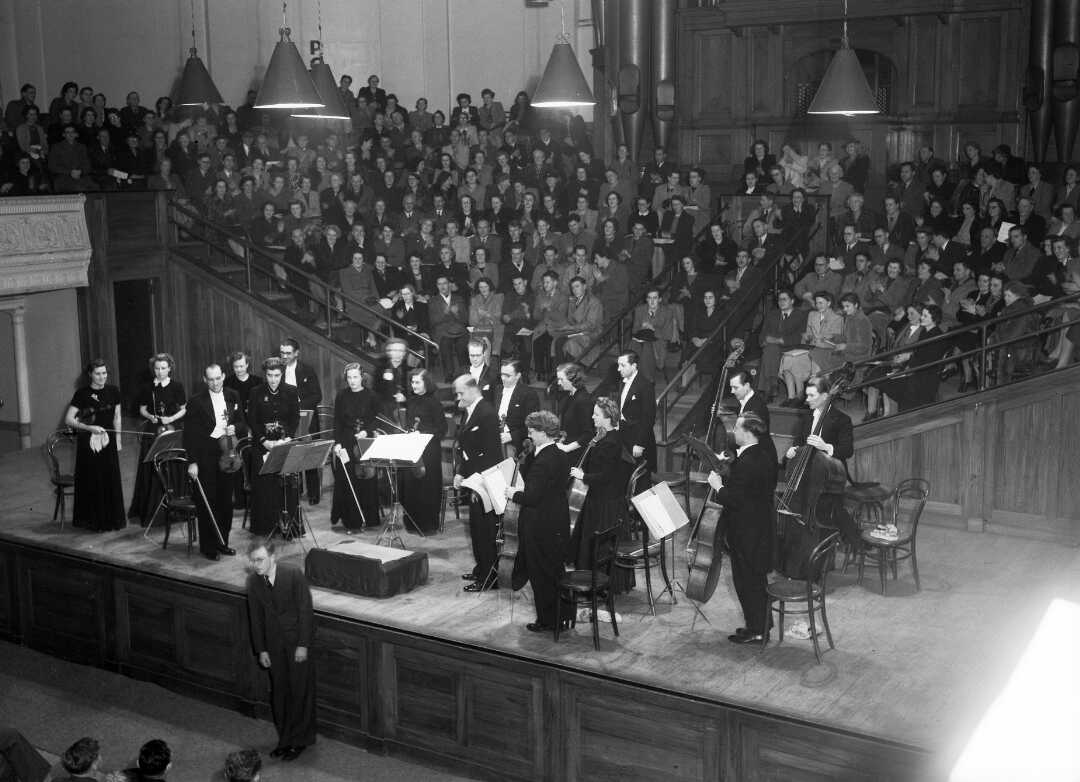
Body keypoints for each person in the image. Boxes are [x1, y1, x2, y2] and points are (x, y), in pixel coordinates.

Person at [707, 413, 778, 644]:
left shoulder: (748, 462)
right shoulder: (762, 455)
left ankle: (757, 630)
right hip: (759, 529)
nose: (733, 432)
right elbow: (749, 491)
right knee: (756, 581)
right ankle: (760, 625)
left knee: (747, 582)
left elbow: (735, 499)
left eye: (736, 428)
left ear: (747, 433)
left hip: (747, 532)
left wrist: (718, 486)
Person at [245, 540, 316, 761]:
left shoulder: (293, 574)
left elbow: (306, 611)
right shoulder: (253, 582)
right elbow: (255, 619)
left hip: (297, 645)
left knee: (299, 693)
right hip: (273, 647)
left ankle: (300, 740)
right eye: (253, 560)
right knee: (280, 695)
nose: (256, 565)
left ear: (273, 557)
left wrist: (303, 644)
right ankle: (285, 740)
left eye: (260, 559)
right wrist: (261, 650)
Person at [504, 410, 572, 632]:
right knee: (554, 571)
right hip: (557, 519)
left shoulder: (543, 461)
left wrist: (512, 493)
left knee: (541, 575)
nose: (529, 435)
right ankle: (562, 616)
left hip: (540, 525)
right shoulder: (560, 454)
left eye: (532, 431)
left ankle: (547, 621)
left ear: (543, 432)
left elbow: (532, 497)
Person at [781, 376, 855, 576]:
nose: (807, 400)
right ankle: (792, 564)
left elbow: (847, 450)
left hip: (828, 479)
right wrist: (792, 451)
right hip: (804, 476)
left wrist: (826, 447)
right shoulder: (806, 418)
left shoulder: (842, 419)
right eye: (806, 395)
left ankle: (819, 565)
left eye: (812, 396)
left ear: (825, 396)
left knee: (826, 513)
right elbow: (798, 443)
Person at [568, 397, 635, 590]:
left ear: (608, 418)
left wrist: (583, 476)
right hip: (602, 499)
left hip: (605, 504)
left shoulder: (610, 443)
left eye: (596, 414)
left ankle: (600, 584)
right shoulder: (604, 436)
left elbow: (605, 476)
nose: (592, 416)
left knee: (600, 547)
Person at [183, 363, 245, 561]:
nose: (215, 382)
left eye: (218, 378)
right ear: (204, 379)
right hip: (206, 457)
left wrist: (235, 427)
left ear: (224, 376)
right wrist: (192, 462)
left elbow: (243, 422)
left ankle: (222, 542)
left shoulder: (233, 395)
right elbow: (189, 435)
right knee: (207, 502)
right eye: (211, 379)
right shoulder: (195, 401)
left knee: (226, 501)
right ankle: (208, 546)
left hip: (228, 456)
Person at [452, 375, 503, 591]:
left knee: (485, 530)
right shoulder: (470, 410)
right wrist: (461, 473)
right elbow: (467, 450)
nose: (457, 397)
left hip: (484, 480)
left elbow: (492, 454)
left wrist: (478, 484)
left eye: (460, 393)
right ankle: (481, 568)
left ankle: (489, 577)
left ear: (473, 390)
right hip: (473, 478)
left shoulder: (487, 413)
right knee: (476, 527)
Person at [64, 359, 124, 531]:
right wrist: (88, 427)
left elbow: (117, 417)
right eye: (98, 373)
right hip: (88, 443)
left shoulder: (114, 391)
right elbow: (68, 420)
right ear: (90, 374)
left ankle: (112, 520)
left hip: (108, 441)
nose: (102, 377)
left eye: (104, 373)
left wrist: (118, 440)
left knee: (109, 478)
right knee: (93, 479)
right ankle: (93, 521)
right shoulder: (81, 394)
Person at [128, 353, 187, 526]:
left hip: (171, 426)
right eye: (157, 368)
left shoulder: (177, 386)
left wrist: (171, 419)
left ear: (170, 368)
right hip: (154, 428)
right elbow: (142, 409)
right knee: (151, 465)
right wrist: (150, 416)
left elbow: (184, 409)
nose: (160, 372)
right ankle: (153, 509)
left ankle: (176, 506)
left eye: (163, 368)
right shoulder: (148, 387)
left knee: (172, 464)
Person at [247, 357, 301, 537]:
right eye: (270, 375)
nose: (273, 379)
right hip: (264, 446)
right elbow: (252, 420)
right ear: (265, 374)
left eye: (277, 375)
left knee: (287, 486)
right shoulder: (255, 392)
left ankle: (290, 527)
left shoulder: (291, 391)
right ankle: (267, 527)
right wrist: (264, 441)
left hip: (284, 444)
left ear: (282, 374)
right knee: (265, 488)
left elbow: (295, 419)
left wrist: (288, 439)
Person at [331, 363, 380, 534]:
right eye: (349, 378)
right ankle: (351, 519)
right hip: (346, 440)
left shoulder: (371, 395)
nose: (352, 381)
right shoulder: (341, 396)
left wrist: (366, 430)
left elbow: (377, 419)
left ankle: (370, 517)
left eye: (355, 377)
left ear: (362, 377)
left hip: (365, 440)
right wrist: (337, 443)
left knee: (366, 479)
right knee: (348, 478)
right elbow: (337, 421)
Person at [400, 368, 446, 534]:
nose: (414, 385)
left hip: (430, 451)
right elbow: (410, 423)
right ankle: (412, 522)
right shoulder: (411, 401)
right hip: (413, 448)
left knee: (427, 487)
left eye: (417, 382)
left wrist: (423, 432)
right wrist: (409, 432)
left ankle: (427, 524)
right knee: (412, 485)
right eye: (412, 382)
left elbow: (442, 429)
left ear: (426, 383)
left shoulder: (434, 402)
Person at [279, 339, 323, 504]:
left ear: (296, 353)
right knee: (291, 454)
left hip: (307, 418)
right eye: (282, 353)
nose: (284, 356)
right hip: (287, 420)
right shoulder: (277, 371)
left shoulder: (307, 370)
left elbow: (317, 396)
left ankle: (313, 494)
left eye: (288, 353)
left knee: (309, 454)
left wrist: (296, 405)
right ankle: (295, 492)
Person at [616, 351, 657, 473]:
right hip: (624, 433)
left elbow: (649, 417)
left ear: (634, 366)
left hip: (637, 436)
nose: (619, 369)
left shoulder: (645, 385)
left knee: (639, 476)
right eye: (618, 365)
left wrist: (640, 443)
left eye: (623, 365)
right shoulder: (622, 382)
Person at [494, 358, 540, 455]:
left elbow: (533, 425)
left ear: (518, 376)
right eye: (502, 374)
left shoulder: (528, 394)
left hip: (516, 441)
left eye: (507, 376)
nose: (503, 378)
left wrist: (511, 436)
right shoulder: (497, 390)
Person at [554, 362, 595, 455]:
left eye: (561, 379)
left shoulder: (583, 400)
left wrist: (567, 448)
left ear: (573, 379)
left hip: (577, 452)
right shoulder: (569, 396)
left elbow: (588, 434)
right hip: (567, 447)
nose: (558, 382)